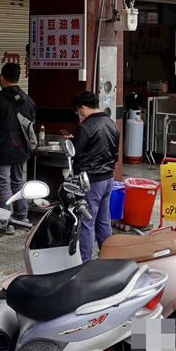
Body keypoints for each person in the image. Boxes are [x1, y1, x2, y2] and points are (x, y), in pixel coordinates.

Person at [0, 63, 34, 229]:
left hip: (0, 151)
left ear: (1, 78)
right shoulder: (29, 101)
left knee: (3, 186)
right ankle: (23, 218)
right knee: (17, 182)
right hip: (21, 150)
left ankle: (7, 222)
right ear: (18, 78)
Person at [72, 90, 120, 262]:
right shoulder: (112, 123)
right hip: (108, 178)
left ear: (83, 107)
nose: (78, 114)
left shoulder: (85, 126)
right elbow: (115, 153)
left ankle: (84, 262)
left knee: (87, 221)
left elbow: (76, 153)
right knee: (104, 219)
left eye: (78, 110)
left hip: (91, 180)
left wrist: (72, 141)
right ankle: (108, 256)